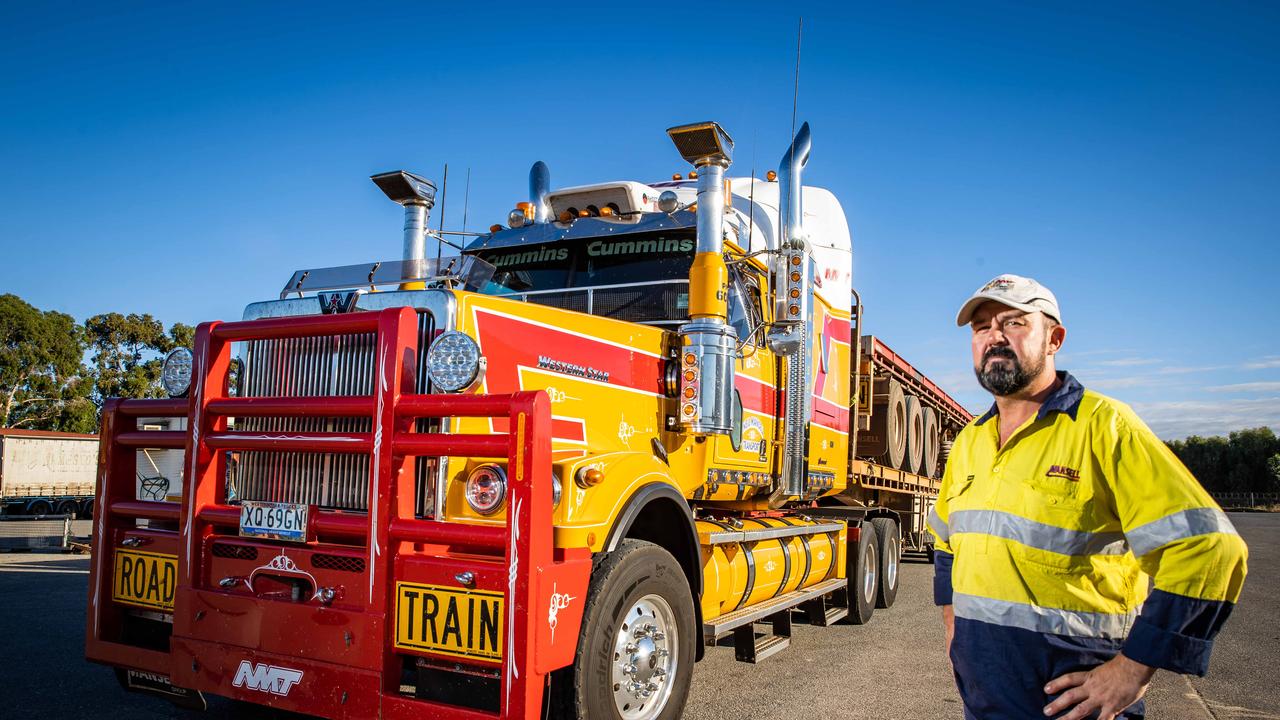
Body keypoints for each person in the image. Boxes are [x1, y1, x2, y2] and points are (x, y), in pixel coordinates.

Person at [929, 274, 1248, 720]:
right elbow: (946, 543)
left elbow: (1209, 547)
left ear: (1054, 338)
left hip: (1076, 704)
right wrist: (953, 626)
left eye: (1015, 323)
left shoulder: (1106, 426)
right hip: (986, 698)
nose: (995, 337)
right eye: (982, 327)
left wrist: (1132, 670)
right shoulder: (969, 442)